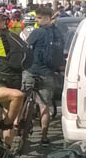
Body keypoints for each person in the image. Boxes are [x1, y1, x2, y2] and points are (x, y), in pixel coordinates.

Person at [22, 8, 60, 146]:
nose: (36, 21)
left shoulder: (37, 32)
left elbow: (26, 47)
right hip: (47, 73)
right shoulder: (57, 33)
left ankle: (22, 126)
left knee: (23, 99)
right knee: (44, 106)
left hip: (31, 70)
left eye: (38, 18)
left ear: (47, 18)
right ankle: (44, 137)